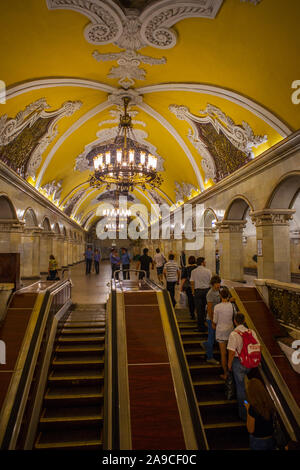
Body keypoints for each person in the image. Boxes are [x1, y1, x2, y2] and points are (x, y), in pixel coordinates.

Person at [227, 313, 260, 421]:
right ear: (244, 320)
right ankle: (255, 410)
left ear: (235, 321)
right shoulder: (251, 332)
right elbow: (258, 346)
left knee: (241, 389)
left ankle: (244, 414)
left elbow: (232, 352)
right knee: (252, 387)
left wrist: (229, 364)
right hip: (251, 363)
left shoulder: (234, 334)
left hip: (238, 363)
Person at [245, 378, 275, 450]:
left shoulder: (253, 408)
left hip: (258, 442)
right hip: (271, 439)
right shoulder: (269, 403)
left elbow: (250, 429)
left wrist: (247, 410)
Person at [212, 287, 235, 378]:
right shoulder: (232, 306)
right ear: (228, 295)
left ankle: (225, 373)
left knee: (223, 354)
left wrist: (214, 326)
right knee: (231, 352)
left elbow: (214, 321)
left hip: (221, 331)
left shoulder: (217, 307)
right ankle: (231, 373)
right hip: (230, 331)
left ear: (220, 296)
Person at [202, 275, 221, 364]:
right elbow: (209, 309)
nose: (218, 285)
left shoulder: (219, 291)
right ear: (213, 284)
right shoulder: (210, 293)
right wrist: (213, 321)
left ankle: (205, 344)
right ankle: (209, 357)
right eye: (217, 284)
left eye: (219, 283)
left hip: (218, 318)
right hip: (211, 319)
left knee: (214, 337)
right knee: (211, 338)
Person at [190, 257, 212, 332]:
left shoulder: (193, 271)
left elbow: (192, 282)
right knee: (206, 309)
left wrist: (193, 291)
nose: (205, 263)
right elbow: (211, 282)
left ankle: (200, 327)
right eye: (205, 262)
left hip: (198, 292)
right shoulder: (208, 271)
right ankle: (208, 325)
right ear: (202, 263)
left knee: (199, 310)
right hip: (207, 291)